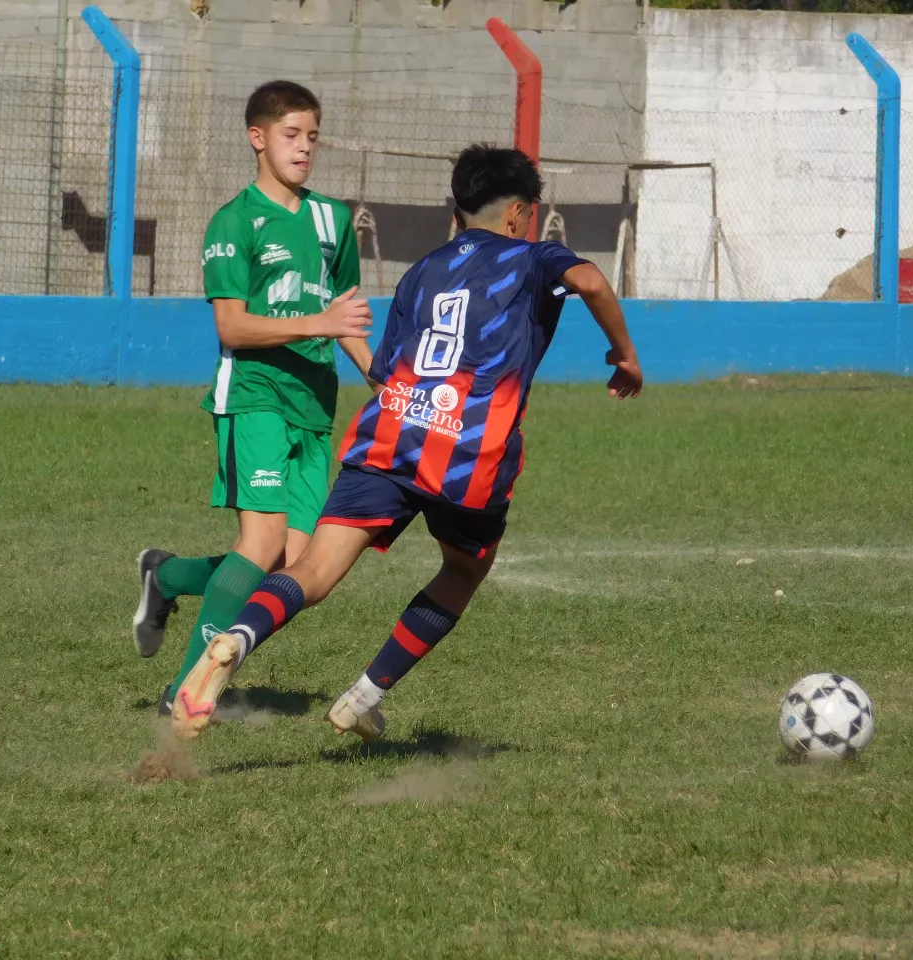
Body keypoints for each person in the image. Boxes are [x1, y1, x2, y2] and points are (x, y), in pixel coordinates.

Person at [168, 144, 643, 742]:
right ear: (521, 215)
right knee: (463, 570)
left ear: (456, 214)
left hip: (389, 432)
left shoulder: (421, 271)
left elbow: (388, 367)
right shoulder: (533, 257)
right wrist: (625, 356)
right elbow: (593, 281)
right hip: (468, 451)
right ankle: (362, 698)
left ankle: (237, 638)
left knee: (313, 567)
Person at [130, 80, 375, 712]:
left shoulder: (332, 219)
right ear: (257, 138)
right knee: (262, 542)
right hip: (254, 395)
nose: (305, 148)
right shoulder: (232, 223)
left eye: (313, 136)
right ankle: (186, 692)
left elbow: (344, 313)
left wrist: (383, 381)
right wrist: (318, 322)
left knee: (290, 569)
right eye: (292, 135)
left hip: (313, 405)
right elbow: (232, 326)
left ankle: (169, 574)